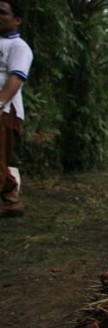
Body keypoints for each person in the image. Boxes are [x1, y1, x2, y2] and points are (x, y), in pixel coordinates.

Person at [0, 0, 33, 218]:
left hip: (5, 109)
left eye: (2, 12)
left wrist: (1, 102)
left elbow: (16, 78)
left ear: (17, 20)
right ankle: (11, 200)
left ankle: (11, 198)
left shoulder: (19, 47)